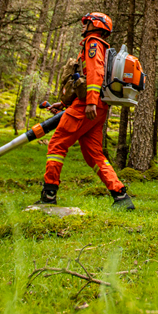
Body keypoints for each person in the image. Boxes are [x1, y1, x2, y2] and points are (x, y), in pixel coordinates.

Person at [37, 12, 136, 209]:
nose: (83, 26)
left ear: (96, 26)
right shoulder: (99, 46)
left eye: (87, 23)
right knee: (94, 154)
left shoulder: (93, 44)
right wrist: (63, 104)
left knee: (56, 145)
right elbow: (82, 80)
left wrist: (90, 102)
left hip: (87, 107)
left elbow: (95, 73)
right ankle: (120, 195)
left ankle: (49, 194)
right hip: (97, 107)